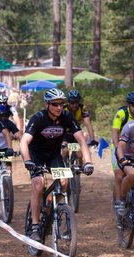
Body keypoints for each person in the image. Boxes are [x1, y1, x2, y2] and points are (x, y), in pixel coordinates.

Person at [19, 88, 94, 242]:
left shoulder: (67, 116)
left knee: (65, 183)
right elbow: (24, 141)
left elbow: (81, 139)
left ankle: (50, 205)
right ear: (47, 104)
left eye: (61, 104)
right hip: (36, 155)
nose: (59, 107)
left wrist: (88, 161)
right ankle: (34, 225)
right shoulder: (38, 118)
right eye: (55, 104)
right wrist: (28, 160)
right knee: (38, 184)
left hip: (53, 155)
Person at [111, 91, 134, 211]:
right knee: (119, 175)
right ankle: (119, 203)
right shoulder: (122, 113)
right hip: (119, 145)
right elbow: (115, 131)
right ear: (129, 105)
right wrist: (116, 147)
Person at [61, 89, 98, 164]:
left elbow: (88, 124)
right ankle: (63, 166)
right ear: (68, 102)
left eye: (77, 102)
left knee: (79, 154)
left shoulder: (82, 108)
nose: (75, 105)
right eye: (72, 102)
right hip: (65, 134)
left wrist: (92, 139)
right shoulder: (63, 109)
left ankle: (80, 168)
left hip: (76, 134)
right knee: (65, 150)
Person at [0, 104, 22, 172]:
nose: (1, 118)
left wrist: (22, 148)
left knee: (8, 166)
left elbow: (19, 136)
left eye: (3, 115)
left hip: (5, 149)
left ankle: (8, 179)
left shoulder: (8, 123)